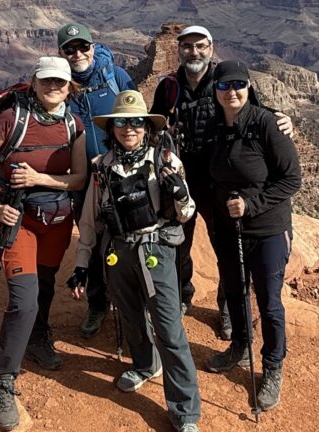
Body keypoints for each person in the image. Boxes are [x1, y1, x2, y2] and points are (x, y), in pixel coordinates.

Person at [68, 90, 201, 432]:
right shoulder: (102, 169)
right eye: (122, 123)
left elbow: (186, 214)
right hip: (118, 251)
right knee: (129, 317)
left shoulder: (164, 160)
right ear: (112, 128)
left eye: (136, 122)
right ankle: (145, 364)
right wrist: (82, 265)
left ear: (146, 126)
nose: (129, 129)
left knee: (169, 328)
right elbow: (89, 221)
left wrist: (181, 194)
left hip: (155, 249)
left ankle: (185, 411)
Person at [149, 24, 293, 338]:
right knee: (179, 243)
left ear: (211, 48)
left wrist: (283, 117)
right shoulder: (168, 87)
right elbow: (154, 125)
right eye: (187, 46)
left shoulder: (226, 80)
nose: (194, 52)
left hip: (219, 182)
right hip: (181, 182)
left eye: (200, 46)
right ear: (179, 50)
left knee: (226, 247)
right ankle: (183, 293)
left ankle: (228, 310)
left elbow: (253, 112)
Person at [0, 56, 88, 431]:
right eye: (47, 82)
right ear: (35, 83)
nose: (54, 88)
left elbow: (79, 178)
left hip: (56, 221)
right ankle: (3, 379)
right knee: (23, 299)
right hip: (20, 220)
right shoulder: (12, 120)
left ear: (70, 86)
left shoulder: (74, 124)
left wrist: (41, 178)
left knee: (47, 283)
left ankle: (38, 337)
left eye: (60, 82)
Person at [203, 60, 302, 412]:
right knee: (233, 292)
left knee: (269, 303)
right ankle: (241, 348)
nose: (231, 91)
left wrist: (251, 203)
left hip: (267, 229)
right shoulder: (214, 127)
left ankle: (273, 366)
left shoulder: (268, 124)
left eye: (238, 84)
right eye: (223, 85)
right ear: (214, 91)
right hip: (229, 231)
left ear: (248, 87)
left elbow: (291, 179)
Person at [56, 22, 136, 339]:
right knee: (90, 238)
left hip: (119, 174)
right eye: (69, 49)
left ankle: (131, 301)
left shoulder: (115, 76)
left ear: (92, 47)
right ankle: (98, 303)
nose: (77, 54)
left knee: (125, 236)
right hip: (81, 180)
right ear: (61, 53)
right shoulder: (60, 85)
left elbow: (136, 119)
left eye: (82, 47)